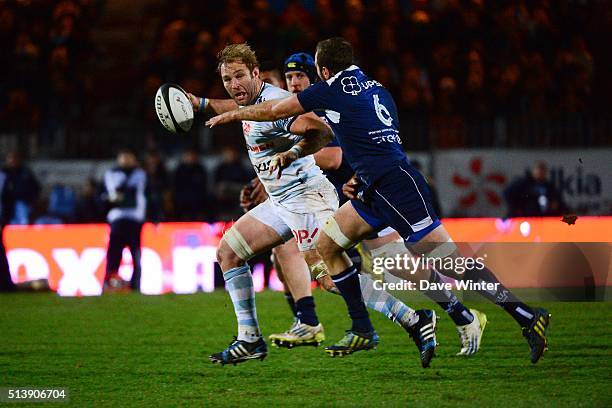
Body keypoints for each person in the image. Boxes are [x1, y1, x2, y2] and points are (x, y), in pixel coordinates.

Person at [207, 37, 551, 365]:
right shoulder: (378, 89)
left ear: (323, 70)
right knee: (329, 244)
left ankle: (525, 315)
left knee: (450, 264)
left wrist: (233, 114)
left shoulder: (331, 88)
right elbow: (380, 135)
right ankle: (362, 327)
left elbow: (278, 110)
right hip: (372, 186)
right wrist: (358, 174)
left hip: (396, 186)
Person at [264, 52, 485, 360]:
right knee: (317, 265)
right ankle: (320, 322)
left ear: (315, 77)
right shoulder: (302, 116)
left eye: (300, 76)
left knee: (396, 266)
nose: (295, 82)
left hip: (363, 194)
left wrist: (286, 158)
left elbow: (337, 156)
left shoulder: (325, 107)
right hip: (338, 201)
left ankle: (453, 314)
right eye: (289, 79)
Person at [188, 43, 339, 366]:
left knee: (330, 278)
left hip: (310, 198)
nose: (234, 84)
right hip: (284, 202)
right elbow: (235, 106)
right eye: (228, 79)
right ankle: (251, 339)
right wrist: (200, 103)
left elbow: (326, 141)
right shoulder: (255, 102)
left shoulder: (278, 105)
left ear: (257, 74)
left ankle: (412, 316)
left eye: (240, 76)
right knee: (229, 252)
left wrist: (291, 156)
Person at [103, 149, 147, 292]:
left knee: (136, 254)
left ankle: (135, 286)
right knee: (114, 254)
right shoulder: (111, 174)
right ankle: (109, 284)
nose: (126, 160)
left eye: (129, 157)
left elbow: (149, 195)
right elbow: (101, 196)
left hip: (135, 219)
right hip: (117, 218)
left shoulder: (141, 175)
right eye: (124, 157)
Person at [504, 161, 568, 217]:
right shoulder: (523, 183)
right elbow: (507, 193)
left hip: (545, 218)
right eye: (538, 169)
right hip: (527, 218)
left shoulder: (549, 187)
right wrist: (517, 209)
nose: (540, 172)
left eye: (543, 170)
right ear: (533, 171)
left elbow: (559, 202)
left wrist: (557, 206)